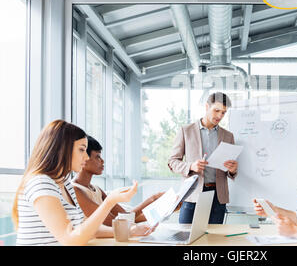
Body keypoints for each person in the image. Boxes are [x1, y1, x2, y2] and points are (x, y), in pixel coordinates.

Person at [11, 120, 155, 246]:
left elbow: (87, 229)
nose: (86, 157)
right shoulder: (41, 183)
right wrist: (109, 202)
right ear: (62, 149)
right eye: (81, 150)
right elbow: (70, 240)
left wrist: (130, 231)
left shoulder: (64, 182)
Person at [168, 92, 238, 224]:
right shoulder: (186, 131)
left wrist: (233, 169)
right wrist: (190, 166)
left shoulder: (228, 136)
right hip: (192, 195)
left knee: (214, 240)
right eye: (216, 110)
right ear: (207, 106)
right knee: (186, 237)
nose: (219, 116)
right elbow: (172, 162)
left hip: (218, 197)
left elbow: (230, 170)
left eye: (223, 112)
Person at [72, 135, 165, 226]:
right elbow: (113, 223)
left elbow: (125, 216)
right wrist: (152, 199)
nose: (102, 161)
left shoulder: (96, 189)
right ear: (84, 158)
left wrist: (158, 204)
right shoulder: (75, 190)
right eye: (97, 157)